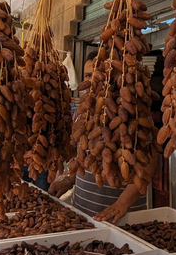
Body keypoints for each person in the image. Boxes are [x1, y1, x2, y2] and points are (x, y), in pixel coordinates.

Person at [48, 52, 156, 223]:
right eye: (87, 75)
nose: (91, 81)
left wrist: (122, 204)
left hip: (122, 218)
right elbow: (84, 158)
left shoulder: (132, 114)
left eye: (96, 75)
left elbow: (148, 166)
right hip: (83, 214)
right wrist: (69, 180)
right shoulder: (84, 116)